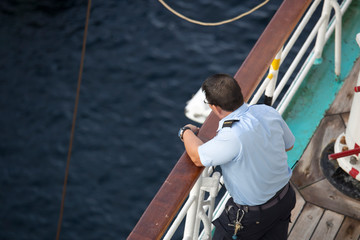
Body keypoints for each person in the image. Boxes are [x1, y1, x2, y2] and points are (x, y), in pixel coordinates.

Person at [178, 73, 296, 240]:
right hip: (285, 198)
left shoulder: (232, 135)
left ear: (215, 108)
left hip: (252, 217)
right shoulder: (267, 111)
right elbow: (289, 145)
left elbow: (197, 157)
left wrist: (185, 132)